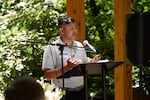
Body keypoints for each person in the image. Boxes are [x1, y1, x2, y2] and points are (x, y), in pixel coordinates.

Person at [42, 16, 99, 100]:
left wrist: (91, 63)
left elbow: (83, 66)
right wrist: (67, 67)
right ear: (61, 31)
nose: (75, 31)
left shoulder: (79, 45)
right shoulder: (52, 48)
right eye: (71, 29)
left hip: (81, 92)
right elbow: (48, 75)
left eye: (75, 28)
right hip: (63, 94)